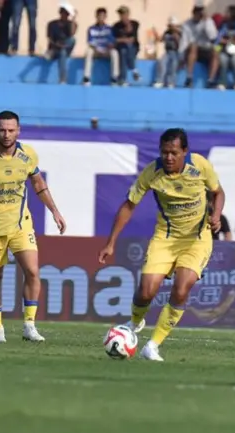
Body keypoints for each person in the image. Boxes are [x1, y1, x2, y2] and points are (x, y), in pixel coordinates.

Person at [98, 128, 225, 361]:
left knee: (182, 287)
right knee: (146, 291)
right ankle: (134, 322)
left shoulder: (200, 166)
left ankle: (153, 345)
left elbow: (218, 192)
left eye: (174, 153)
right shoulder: (152, 173)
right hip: (165, 238)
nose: (168, 158)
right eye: (164, 152)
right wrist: (110, 243)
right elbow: (128, 206)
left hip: (196, 239)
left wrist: (216, 215)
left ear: (184, 151)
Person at [0, 110, 66, 344]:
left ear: (18, 130)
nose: (6, 134)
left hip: (21, 224)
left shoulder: (28, 155)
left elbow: (38, 184)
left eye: (11, 130)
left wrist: (55, 211)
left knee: (32, 271)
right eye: (2, 130)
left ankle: (29, 325)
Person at [179, 5, 218, 89]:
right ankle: (189, 77)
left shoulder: (208, 21)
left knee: (216, 51)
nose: (199, 16)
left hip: (205, 48)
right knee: (194, 46)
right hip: (191, 50)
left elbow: (213, 37)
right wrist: (181, 57)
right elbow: (184, 40)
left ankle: (210, 80)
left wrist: (206, 22)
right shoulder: (187, 24)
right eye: (197, 14)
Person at [83, 7, 118, 86]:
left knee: (115, 53)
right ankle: (86, 78)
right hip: (96, 51)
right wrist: (97, 50)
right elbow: (90, 42)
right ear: (96, 16)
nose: (101, 18)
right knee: (88, 52)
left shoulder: (110, 29)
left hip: (106, 51)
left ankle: (114, 78)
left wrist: (107, 49)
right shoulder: (91, 29)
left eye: (103, 16)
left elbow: (112, 42)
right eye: (99, 16)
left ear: (105, 17)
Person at [44, 4, 76, 84]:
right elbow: (50, 38)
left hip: (65, 47)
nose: (65, 15)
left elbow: (72, 34)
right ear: (60, 13)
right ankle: (62, 79)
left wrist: (74, 19)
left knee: (70, 42)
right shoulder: (52, 24)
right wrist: (57, 45)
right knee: (61, 52)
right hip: (54, 48)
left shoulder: (70, 24)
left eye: (67, 14)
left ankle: (62, 79)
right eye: (63, 13)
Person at [112, 5, 140, 86]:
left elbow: (133, 39)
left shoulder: (135, 23)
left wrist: (128, 25)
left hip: (133, 48)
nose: (122, 16)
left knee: (128, 47)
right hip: (120, 48)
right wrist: (124, 40)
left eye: (124, 14)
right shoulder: (116, 26)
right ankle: (134, 70)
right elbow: (115, 40)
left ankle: (122, 78)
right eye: (120, 14)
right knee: (123, 50)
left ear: (128, 14)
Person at [153, 16, 182, 89]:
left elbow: (181, 45)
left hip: (175, 52)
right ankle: (160, 81)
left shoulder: (179, 33)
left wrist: (176, 38)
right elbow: (161, 39)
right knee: (162, 62)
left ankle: (171, 82)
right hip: (167, 51)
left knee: (173, 65)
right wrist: (156, 35)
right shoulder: (167, 32)